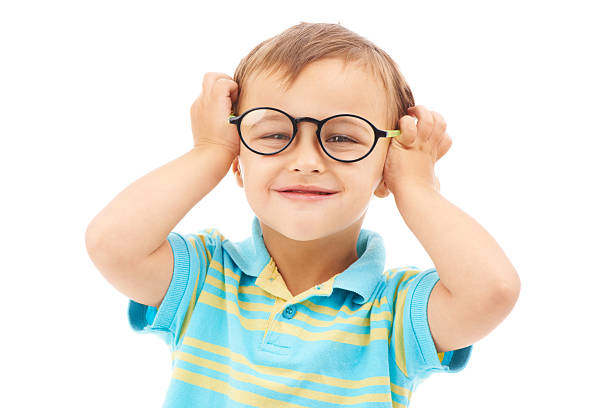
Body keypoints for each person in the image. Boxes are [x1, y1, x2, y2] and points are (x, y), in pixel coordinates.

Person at [85, 22, 520, 407]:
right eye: (274, 133)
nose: (307, 161)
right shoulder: (202, 279)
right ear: (239, 159)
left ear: (386, 167)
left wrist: (417, 187)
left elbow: (492, 290)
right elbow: (112, 244)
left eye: (344, 137)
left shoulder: (395, 313)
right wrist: (210, 150)